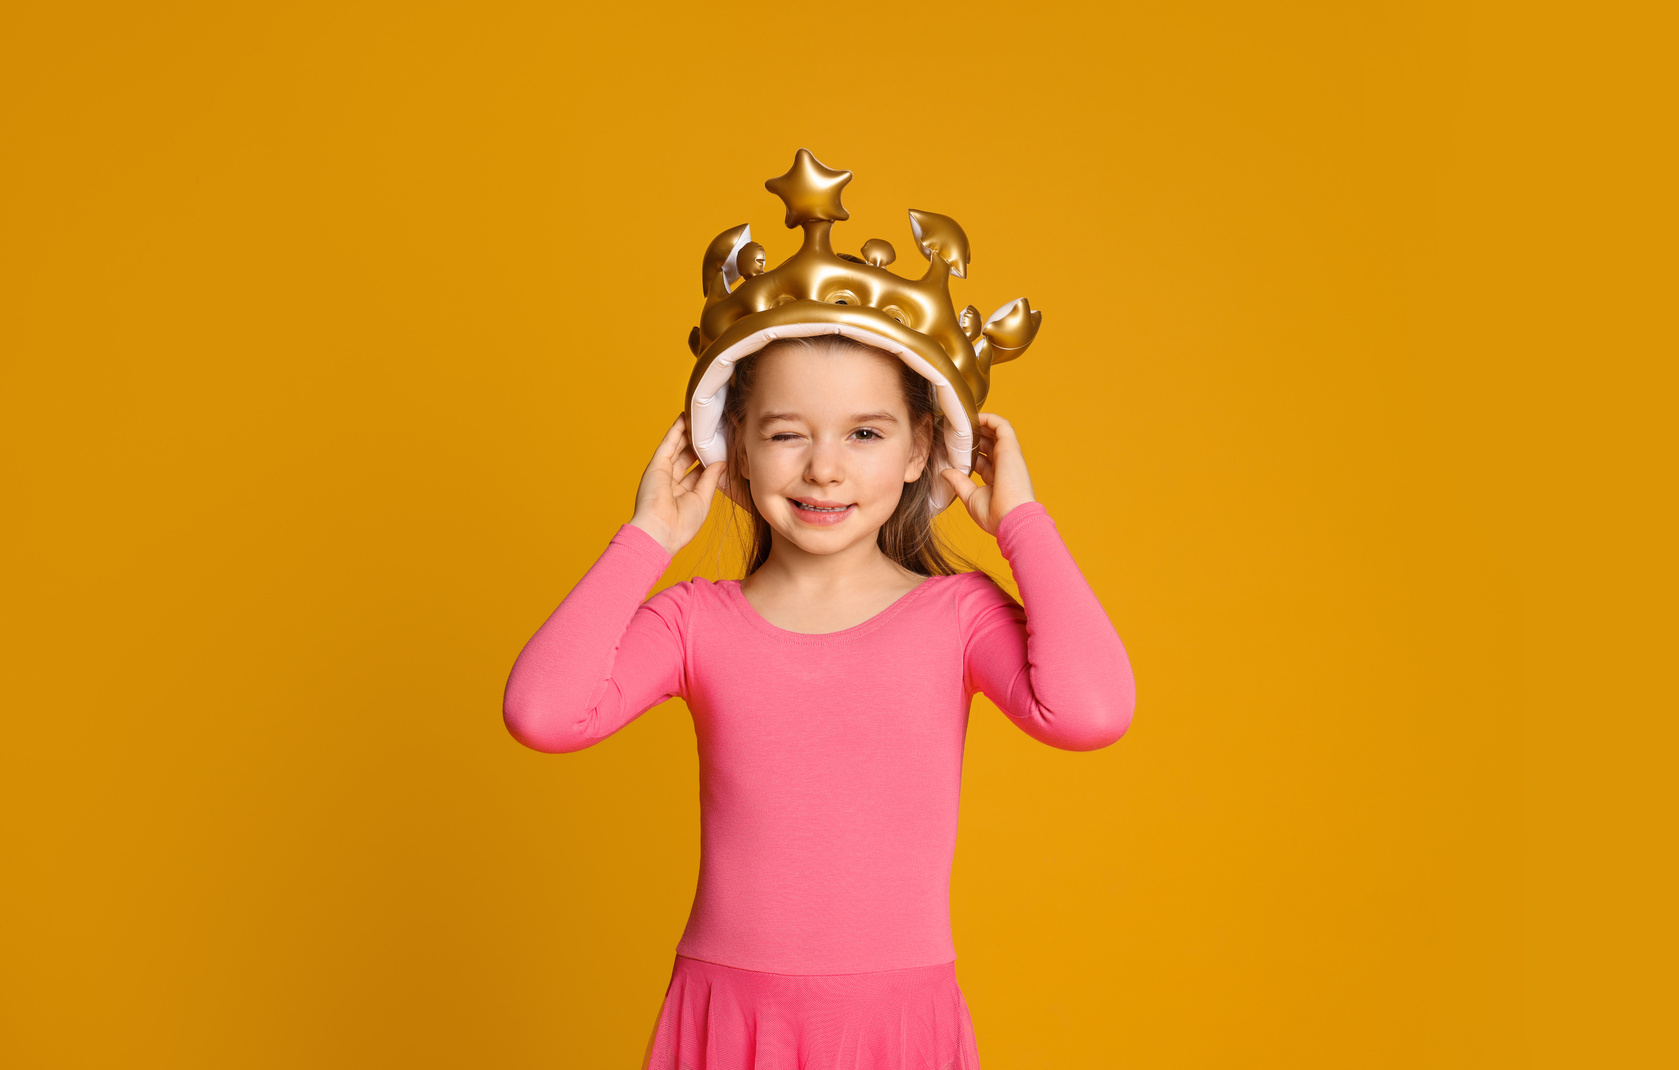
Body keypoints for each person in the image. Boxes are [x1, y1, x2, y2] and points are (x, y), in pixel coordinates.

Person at [502, 329, 1136, 1069]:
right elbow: (542, 713)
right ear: (734, 446)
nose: (824, 468)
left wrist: (1021, 524)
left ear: (918, 448)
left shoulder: (957, 616)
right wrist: (649, 535)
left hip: (898, 1027)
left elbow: (1090, 711)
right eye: (785, 434)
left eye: (864, 432)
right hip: (729, 1023)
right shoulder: (693, 621)